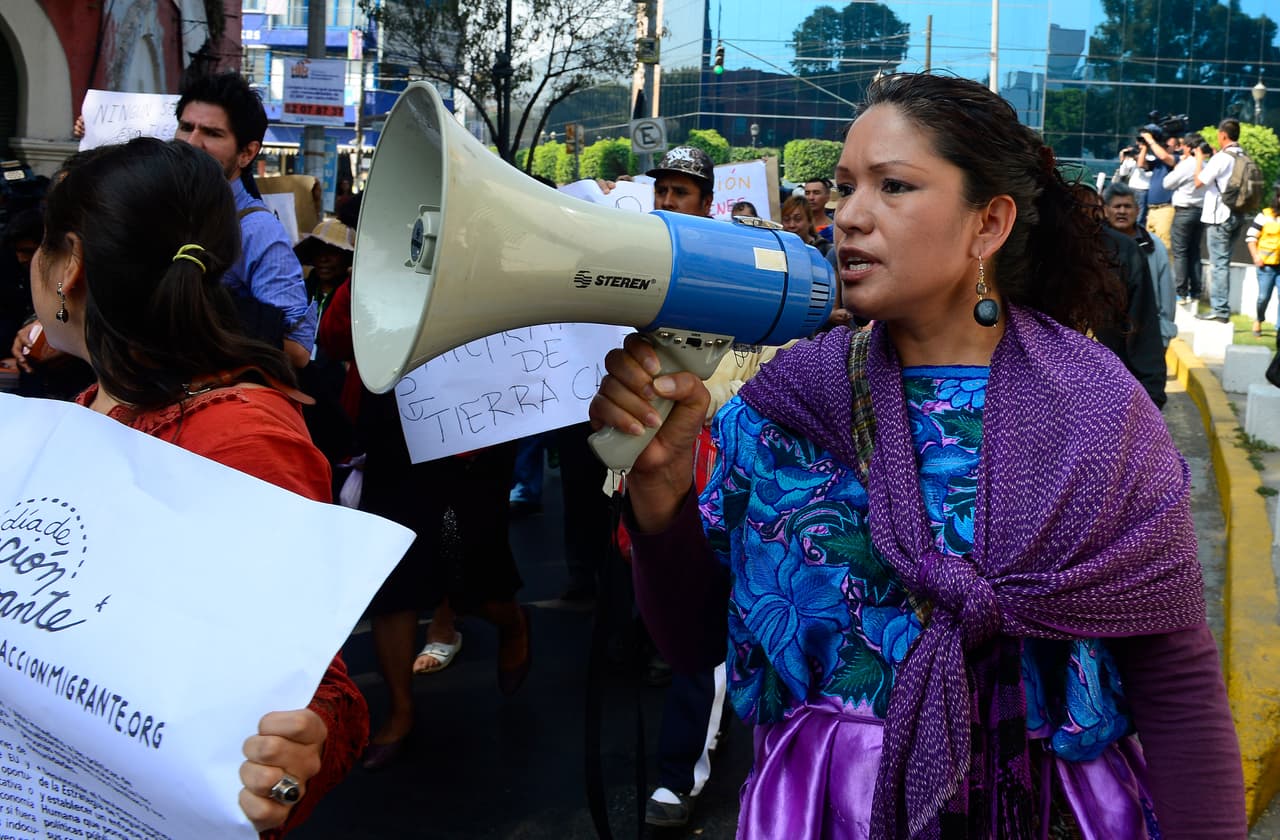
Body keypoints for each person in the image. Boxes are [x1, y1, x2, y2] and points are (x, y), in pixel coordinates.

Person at [591, 73, 1245, 837]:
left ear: (988, 224)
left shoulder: (1099, 412)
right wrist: (662, 495)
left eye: (892, 186)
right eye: (843, 188)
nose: (848, 216)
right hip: (826, 810)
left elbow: (1175, 683)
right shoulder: (784, 408)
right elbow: (695, 638)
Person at [25, 137, 368, 836]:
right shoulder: (94, 402)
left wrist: (295, 758)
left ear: (69, 267)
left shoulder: (237, 439)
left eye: (38, 243)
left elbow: (319, 690)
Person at [639, 144, 732, 828]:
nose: (669, 202)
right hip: (655, 471)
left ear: (706, 203)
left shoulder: (738, 272)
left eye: (682, 192)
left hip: (720, 475)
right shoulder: (636, 268)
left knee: (707, 637)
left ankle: (681, 773)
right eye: (662, 191)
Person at [1103, 182, 1176, 347]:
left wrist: (1163, 336)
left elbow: (1166, 295)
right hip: (1106, 336)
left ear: (1137, 210)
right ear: (1106, 210)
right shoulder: (1096, 245)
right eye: (1117, 206)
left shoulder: (1154, 246)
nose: (1122, 211)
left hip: (1146, 336)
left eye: (1127, 206)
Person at [1196, 118, 1247, 323]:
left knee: (1219, 265)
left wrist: (1199, 158)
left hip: (1219, 216)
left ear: (1223, 135)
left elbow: (1199, 182)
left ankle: (1220, 310)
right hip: (1237, 214)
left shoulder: (1221, 159)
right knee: (1224, 262)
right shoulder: (1242, 155)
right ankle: (1221, 308)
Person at [1162, 132, 1209, 302]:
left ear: (1188, 148)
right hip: (1201, 211)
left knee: (1180, 252)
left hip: (1184, 211)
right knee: (1195, 252)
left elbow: (1167, 183)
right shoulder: (1206, 163)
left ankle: (1181, 292)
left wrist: (1178, 166)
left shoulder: (1187, 164)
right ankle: (1196, 290)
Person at [1246, 184, 1280, 337]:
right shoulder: (1265, 215)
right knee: (1263, 297)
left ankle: (1279, 329)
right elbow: (1251, 237)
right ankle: (1259, 319)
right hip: (1266, 266)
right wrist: (1256, 256)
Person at [1139, 129, 1180, 250]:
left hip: (1166, 208)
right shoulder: (1158, 163)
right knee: (1149, 243)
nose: (1164, 147)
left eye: (1168, 145)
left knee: (1164, 244)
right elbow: (1141, 164)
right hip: (1152, 209)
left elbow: (1164, 156)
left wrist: (1150, 140)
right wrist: (1145, 146)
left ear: (1176, 147)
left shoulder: (1177, 159)